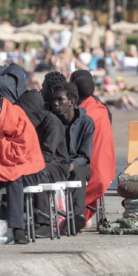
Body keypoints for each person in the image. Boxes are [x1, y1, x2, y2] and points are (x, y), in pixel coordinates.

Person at [0, 96, 45, 244]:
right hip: (5, 167)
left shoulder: (20, 121)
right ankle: (1, 221)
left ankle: (18, 229)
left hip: (30, 169)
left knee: (14, 179)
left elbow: (19, 153)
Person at [16, 89, 70, 237]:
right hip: (35, 161)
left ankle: (45, 221)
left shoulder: (52, 124)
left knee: (39, 171)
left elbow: (47, 154)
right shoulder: (29, 124)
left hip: (57, 165)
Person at [50, 83, 94, 233]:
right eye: (54, 100)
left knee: (77, 173)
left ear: (71, 102)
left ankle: (77, 216)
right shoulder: (50, 120)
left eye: (60, 100)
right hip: (56, 163)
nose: (55, 103)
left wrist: (72, 165)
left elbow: (85, 155)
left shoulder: (86, 122)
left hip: (78, 165)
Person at [73, 76, 115, 224]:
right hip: (106, 169)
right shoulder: (102, 110)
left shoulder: (82, 114)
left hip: (92, 171)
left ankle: (75, 213)